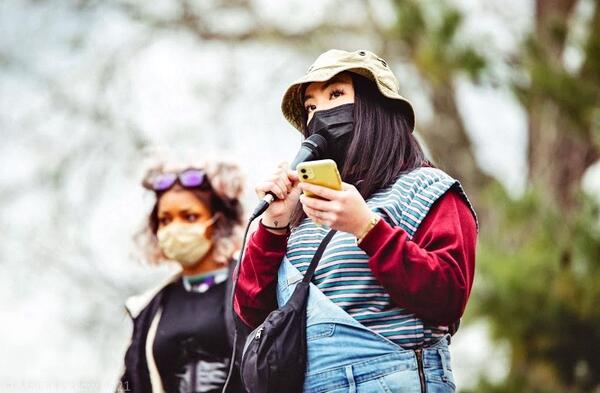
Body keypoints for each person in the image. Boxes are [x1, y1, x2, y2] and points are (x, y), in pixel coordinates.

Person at [234, 49, 479, 392]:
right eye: (311, 106)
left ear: (376, 107)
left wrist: (367, 229)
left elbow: (448, 298)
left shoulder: (428, 189)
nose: (320, 114)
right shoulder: (303, 212)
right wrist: (274, 226)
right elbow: (251, 314)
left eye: (336, 94)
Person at [117, 157, 245, 393]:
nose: (174, 228)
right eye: (165, 220)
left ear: (219, 222)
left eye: (190, 216)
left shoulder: (255, 289)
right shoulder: (147, 309)